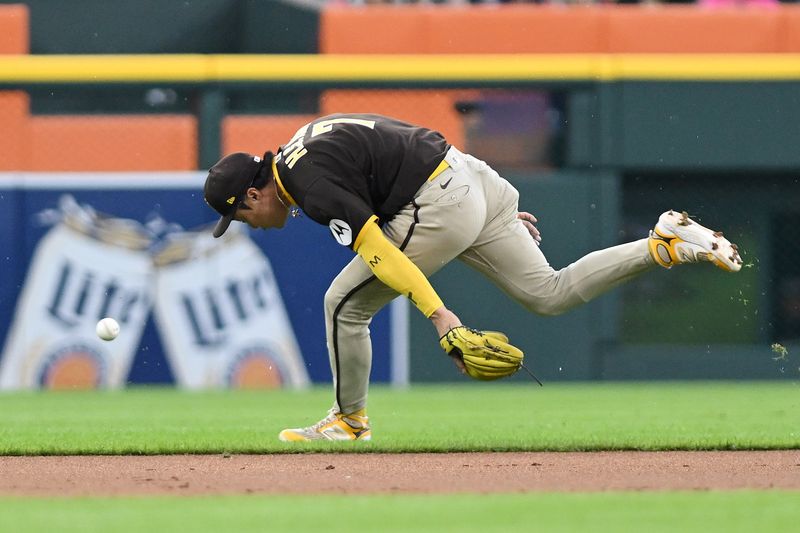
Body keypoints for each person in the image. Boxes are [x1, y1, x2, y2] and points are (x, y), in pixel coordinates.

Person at [203, 113, 742, 442]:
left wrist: (441, 317)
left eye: (241, 215)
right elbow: (401, 141)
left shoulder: (308, 183)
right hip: (467, 175)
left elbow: (380, 253)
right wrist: (481, 206)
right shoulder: (306, 138)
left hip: (439, 200)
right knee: (548, 294)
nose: (250, 224)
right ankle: (662, 245)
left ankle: (348, 421)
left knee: (343, 305)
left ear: (253, 193)